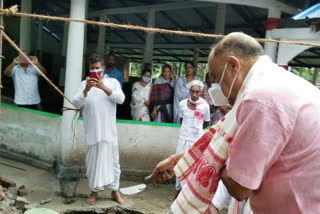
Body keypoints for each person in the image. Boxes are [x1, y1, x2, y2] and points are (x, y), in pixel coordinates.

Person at [148, 32, 320, 214]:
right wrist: (179, 159)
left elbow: (239, 186)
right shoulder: (274, 81)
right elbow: (222, 140)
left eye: (216, 79)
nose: (215, 88)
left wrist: (214, 163)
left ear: (233, 66)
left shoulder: (259, 98)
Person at [72, 54, 125, 205]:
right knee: (92, 163)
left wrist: (103, 87)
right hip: (92, 132)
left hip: (109, 132)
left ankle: (115, 191)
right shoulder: (84, 84)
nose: (95, 70)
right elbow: (76, 103)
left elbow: (120, 99)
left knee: (113, 161)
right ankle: (94, 192)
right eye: (92, 68)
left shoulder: (113, 82)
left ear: (103, 69)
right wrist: (86, 90)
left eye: (97, 68)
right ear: (89, 69)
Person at [173, 79, 210, 199]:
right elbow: (181, 119)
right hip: (183, 138)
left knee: (194, 166)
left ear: (201, 92)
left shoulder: (205, 106)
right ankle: (178, 190)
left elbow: (206, 122)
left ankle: (189, 194)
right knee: (180, 164)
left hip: (196, 141)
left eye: (197, 92)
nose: (194, 94)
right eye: (192, 91)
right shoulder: (182, 103)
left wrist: (196, 132)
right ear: (189, 91)